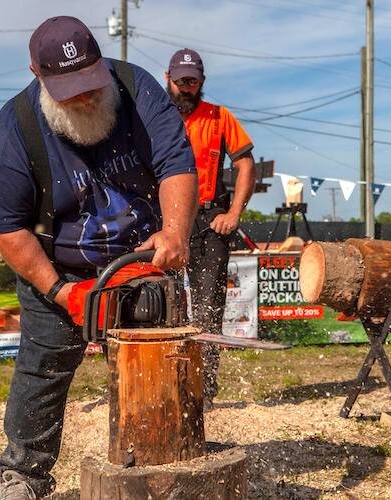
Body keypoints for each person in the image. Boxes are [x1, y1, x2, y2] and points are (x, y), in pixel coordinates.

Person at [0, 16, 197, 499]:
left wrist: (176, 232)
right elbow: (4, 224)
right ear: (37, 74)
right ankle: (24, 475)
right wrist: (59, 290)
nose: (85, 98)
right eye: (70, 90)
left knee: (164, 361)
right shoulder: (13, 130)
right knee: (44, 366)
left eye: (92, 84)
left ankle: (166, 462)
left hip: (144, 259)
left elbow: (176, 162)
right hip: (61, 267)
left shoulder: (138, 91)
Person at [165, 48, 256, 404]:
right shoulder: (154, 117)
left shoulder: (219, 117)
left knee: (208, 306)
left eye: (193, 80)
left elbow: (245, 164)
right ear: (167, 78)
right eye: (180, 80)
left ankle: (204, 390)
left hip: (210, 218)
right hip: (166, 218)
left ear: (201, 82)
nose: (186, 87)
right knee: (165, 302)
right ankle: (169, 383)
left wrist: (234, 213)